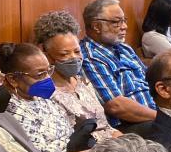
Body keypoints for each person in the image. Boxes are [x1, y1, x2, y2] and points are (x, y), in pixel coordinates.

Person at [0, 43, 85, 152]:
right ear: (13, 79)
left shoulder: (39, 96)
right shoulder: (13, 113)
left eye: (49, 71)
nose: (48, 79)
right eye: (39, 75)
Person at [34, 10, 121, 144]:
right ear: (44, 53)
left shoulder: (83, 81)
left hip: (111, 144)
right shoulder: (43, 91)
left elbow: (105, 126)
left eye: (77, 51)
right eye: (64, 54)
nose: (74, 58)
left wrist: (127, 141)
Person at [80, 0, 157, 128]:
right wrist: (162, 118)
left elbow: (150, 80)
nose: (124, 27)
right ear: (96, 26)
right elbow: (116, 106)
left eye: (124, 20)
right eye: (117, 22)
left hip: (154, 113)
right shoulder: (90, 57)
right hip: (128, 125)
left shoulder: (124, 48)